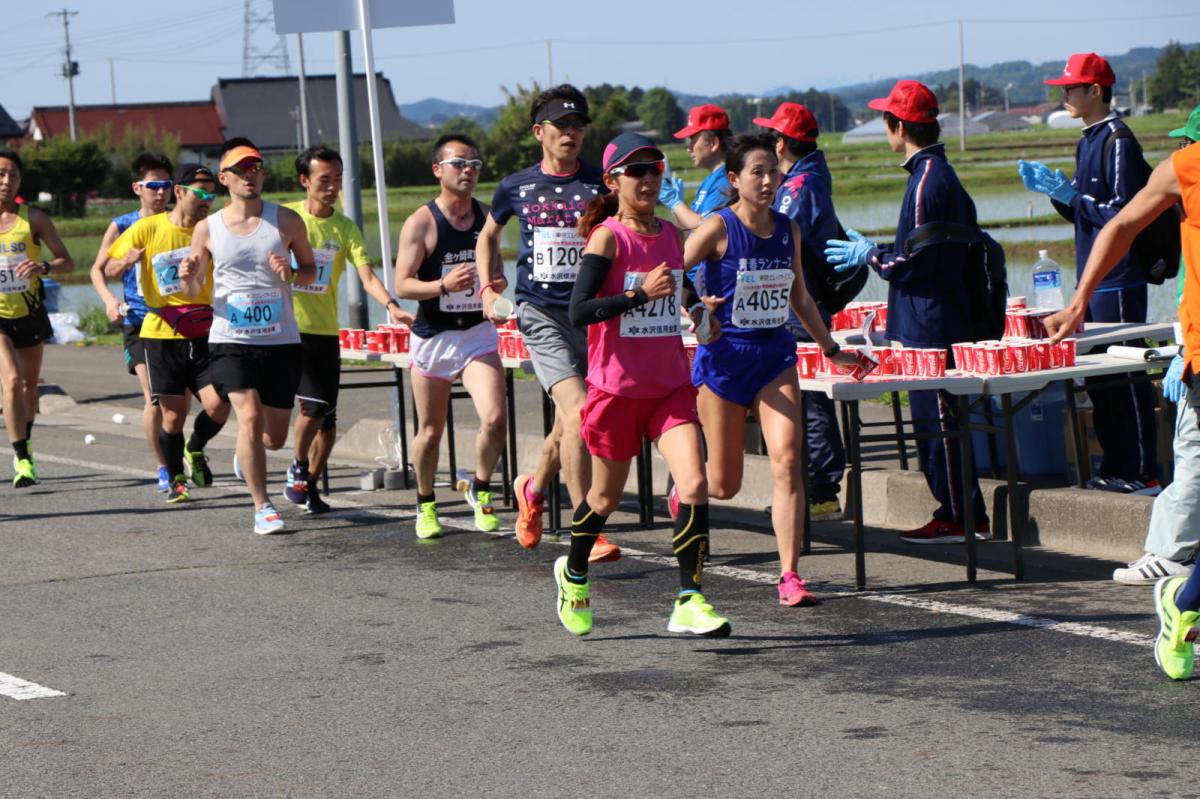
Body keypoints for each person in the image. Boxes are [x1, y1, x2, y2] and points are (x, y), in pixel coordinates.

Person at [1042, 103, 1200, 680]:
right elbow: (1122, 225)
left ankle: (1183, 602)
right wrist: (1081, 299)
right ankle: (1181, 605)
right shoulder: (1187, 167)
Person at [559, 131, 729, 637]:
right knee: (604, 499)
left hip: (669, 384)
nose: (649, 178)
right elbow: (579, 311)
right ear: (613, 181)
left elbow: (683, 294)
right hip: (616, 388)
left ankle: (689, 598)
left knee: (695, 484)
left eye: (655, 168)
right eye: (636, 171)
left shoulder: (673, 237)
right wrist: (637, 296)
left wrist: (701, 314)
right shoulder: (607, 237)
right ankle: (573, 573)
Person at [684, 133, 855, 606]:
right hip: (723, 361)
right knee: (722, 484)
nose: (767, 181)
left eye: (772, 172)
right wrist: (698, 310)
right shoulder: (717, 228)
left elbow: (799, 296)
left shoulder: (787, 229)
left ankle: (790, 575)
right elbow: (673, 271)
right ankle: (687, 491)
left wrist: (830, 347)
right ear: (734, 179)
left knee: (787, 459)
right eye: (755, 173)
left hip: (775, 356)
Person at [825, 79, 989, 543]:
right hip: (934, 316)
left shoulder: (926, 180)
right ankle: (957, 510)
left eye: (886, 122)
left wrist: (870, 256)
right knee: (936, 424)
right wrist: (878, 249)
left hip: (929, 322)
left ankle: (961, 516)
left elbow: (916, 261)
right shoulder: (937, 173)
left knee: (939, 426)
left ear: (897, 125)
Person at [475, 84, 619, 563]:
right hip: (540, 314)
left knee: (567, 427)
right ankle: (587, 526)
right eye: (561, 126)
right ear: (540, 132)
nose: (571, 134)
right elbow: (488, 235)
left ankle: (531, 490)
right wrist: (488, 287)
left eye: (578, 126)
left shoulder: (603, 185)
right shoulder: (516, 186)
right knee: (580, 414)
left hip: (592, 316)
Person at [1019, 52, 1157, 495]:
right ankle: (1117, 466)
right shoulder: (1088, 138)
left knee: (1124, 374)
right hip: (1094, 276)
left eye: (1072, 88)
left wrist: (1071, 195)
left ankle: (1141, 471)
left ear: (1096, 90)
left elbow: (1120, 214)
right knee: (1100, 377)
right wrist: (1060, 195)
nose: (1065, 94)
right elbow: (1085, 215)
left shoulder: (1118, 140)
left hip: (1119, 277)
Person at [180, 138, 316, 534]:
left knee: (272, 437)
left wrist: (290, 272)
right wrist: (189, 279)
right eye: (240, 171)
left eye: (255, 169)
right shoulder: (208, 228)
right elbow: (193, 291)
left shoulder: (287, 221)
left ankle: (249, 451)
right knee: (249, 418)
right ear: (224, 178)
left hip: (281, 340)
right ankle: (263, 507)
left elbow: (309, 271)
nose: (249, 177)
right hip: (230, 339)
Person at [282, 146, 413, 515]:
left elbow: (366, 275)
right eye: (325, 179)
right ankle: (295, 464)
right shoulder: (285, 217)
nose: (333, 187)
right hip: (284, 329)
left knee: (327, 420)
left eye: (338, 179)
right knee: (308, 409)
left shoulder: (344, 228)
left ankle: (307, 484)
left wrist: (390, 305)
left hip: (323, 330)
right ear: (305, 181)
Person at [395, 134, 507, 538]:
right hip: (433, 337)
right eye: (459, 164)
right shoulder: (421, 222)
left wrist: (496, 286)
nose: (468, 172)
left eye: (475, 165)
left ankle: (480, 488)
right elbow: (403, 285)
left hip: (476, 333)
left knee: (495, 417)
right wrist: (443, 285)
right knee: (430, 431)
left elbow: (496, 272)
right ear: (438, 170)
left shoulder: (488, 217)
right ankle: (426, 503)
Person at [105, 164, 231, 504]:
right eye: (200, 193)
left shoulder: (214, 231)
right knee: (172, 416)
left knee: (219, 405)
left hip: (205, 331)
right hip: (160, 333)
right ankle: (176, 478)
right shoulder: (147, 228)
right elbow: (109, 266)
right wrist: (127, 260)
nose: (207, 200)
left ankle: (196, 447)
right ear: (179, 192)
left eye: (211, 194)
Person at [755, 101, 847, 517]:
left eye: (772, 136)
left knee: (809, 398)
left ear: (781, 142)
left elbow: (776, 235)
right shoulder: (802, 178)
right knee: (803, 396)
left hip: (801, 306)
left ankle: (823, 489)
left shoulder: (801, 185)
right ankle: (816, 485)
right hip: (798, 302)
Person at [89, 152, 174, 491]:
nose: (160, 192)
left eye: (166, 185)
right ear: (138, 187)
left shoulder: (178, 222)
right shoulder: (123, 224)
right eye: (153, 185)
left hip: (175, 319)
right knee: (154, 395)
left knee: (176, 398)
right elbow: (99, 269)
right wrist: (111, 300)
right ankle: (163, 465)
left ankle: (184, 451)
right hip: (138, 320)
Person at [0, 148, 74, 487]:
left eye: (12, 174)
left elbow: (67, 261)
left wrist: (43, 266)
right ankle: (23, 457)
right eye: (0, 174)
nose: (6, 181)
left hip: (29, 311)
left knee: (30, 387)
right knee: (12, 381)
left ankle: (25, 441)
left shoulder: (35, 219)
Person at [658, 104, 732, 231]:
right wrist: (677, 208)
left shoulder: (725, 182)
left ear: (713, 143)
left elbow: (707, 230)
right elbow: (688, 230)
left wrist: (676, 204)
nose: (689, 148)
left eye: (693, 140)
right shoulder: (710, 180)